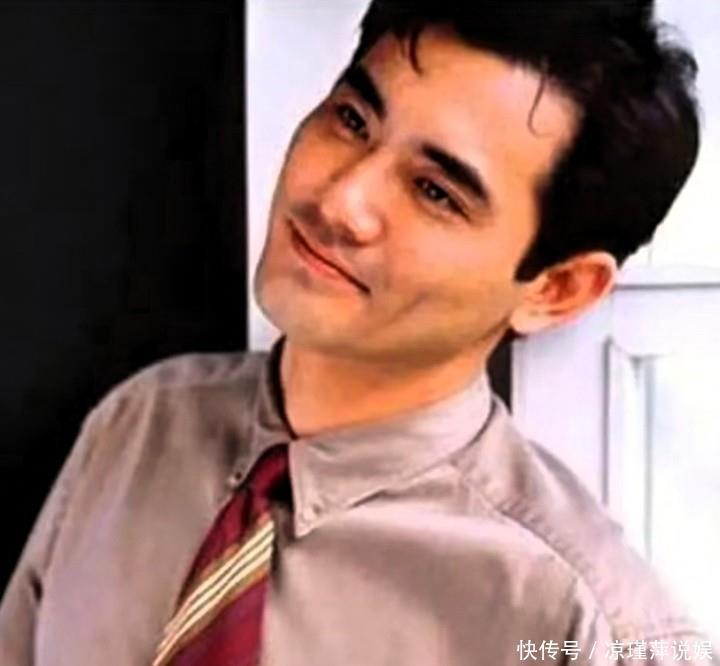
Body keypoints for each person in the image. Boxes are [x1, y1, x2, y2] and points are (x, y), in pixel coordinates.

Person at [0, 1, 714, 664]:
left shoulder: (579, 632)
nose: (341, 200)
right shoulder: (140, 424)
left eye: (435, 191)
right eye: (351, 120)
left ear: (556, 289)